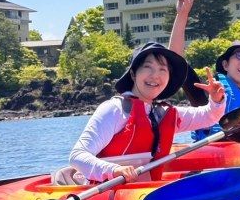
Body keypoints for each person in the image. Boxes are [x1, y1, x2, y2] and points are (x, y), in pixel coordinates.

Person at [52, 42, 226, 185]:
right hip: (105, 192)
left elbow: (209, 116)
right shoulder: (114, 110)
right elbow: (77, 156)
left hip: (144, 191)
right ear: (134, 73)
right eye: (148, 67)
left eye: (162, 70)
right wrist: (112, 170)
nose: (155, 76)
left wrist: (217, 100)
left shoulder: (164, 113)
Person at [168, 0, 240, 139]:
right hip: (213, 156)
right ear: (225, 65)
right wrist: (182, 14)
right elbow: (175, 61)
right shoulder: (208, 93)